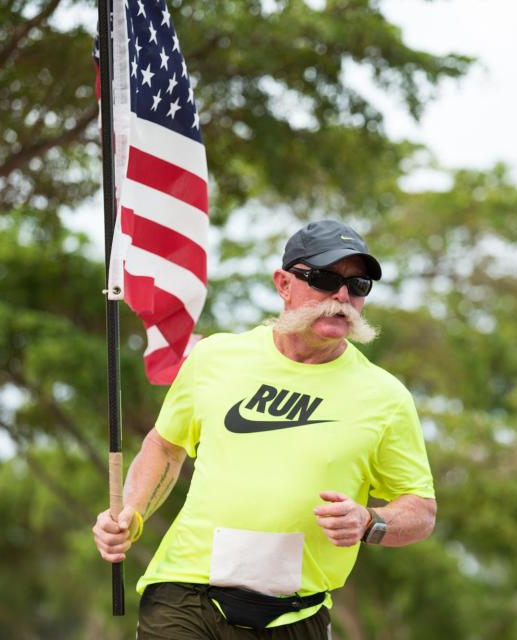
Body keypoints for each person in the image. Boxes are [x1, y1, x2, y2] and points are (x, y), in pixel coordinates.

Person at [92, 220, 437, 639]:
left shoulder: (386, 396)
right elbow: (165, 446)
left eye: (358, 285)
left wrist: (369, 520)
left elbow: (420, 510)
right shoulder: (215, 357)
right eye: (325, 279)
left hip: (298, 613)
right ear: (284, 283)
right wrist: (132, 512)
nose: (342, 296)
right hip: (187, 593)